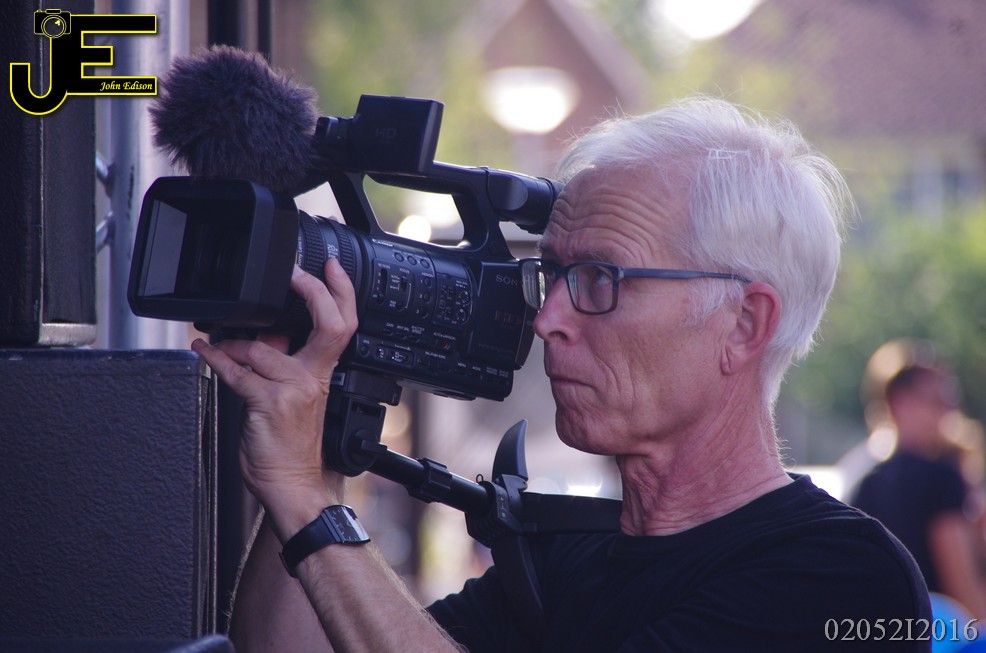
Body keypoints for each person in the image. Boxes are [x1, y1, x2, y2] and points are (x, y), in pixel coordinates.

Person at [193, 96, 932, 651]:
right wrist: (317, 459)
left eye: (601, 277)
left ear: (744, 324)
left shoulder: (843, 577)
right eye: (552, 273)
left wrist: (307, 504)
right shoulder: (565, 559)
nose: (548, 319)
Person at [853, 361, 986, 620]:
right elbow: (964, 588)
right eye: (936, 400)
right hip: (942, 630)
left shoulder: (865, 482)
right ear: (900, 403)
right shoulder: (942, 478)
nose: (948, 410)